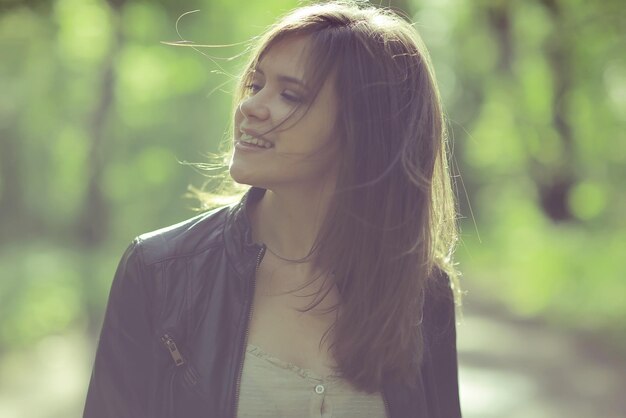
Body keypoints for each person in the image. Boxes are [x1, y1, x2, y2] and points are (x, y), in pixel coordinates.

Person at [83, 1, 462, 417]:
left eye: (291, 95)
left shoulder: (422, 290)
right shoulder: (159, 271)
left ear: (366, 128)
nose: (250, 107)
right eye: (255, 85)